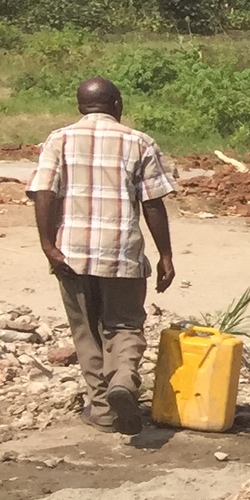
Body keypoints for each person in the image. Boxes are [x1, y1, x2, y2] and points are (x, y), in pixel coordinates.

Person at [26, 78, 176, 434]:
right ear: (118, 104)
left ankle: (104, 409)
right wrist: (166, 255)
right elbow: (153, 204)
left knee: (86, 329)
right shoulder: (139, 142)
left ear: (81, 107)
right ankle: (123, 380)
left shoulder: (58, 139)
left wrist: (49, 247)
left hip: (71, 254)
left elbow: (44, 193)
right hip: (121, 252)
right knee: (124, 324)